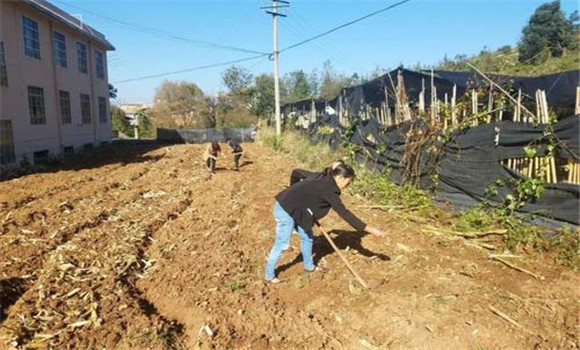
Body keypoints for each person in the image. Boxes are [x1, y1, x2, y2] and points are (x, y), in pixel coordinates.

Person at [265, 162, 385, 283]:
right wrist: (368, 229)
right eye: (348, 182)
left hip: (299, 209)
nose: (348, 185)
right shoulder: (329, 191)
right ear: (340, 177)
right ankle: (269, 275)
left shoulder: (321, 176)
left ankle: (309, 266)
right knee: (282, 243)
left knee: (307, 237)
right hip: (285, 209)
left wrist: (295, 191)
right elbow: (345, 213)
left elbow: (296, 172)